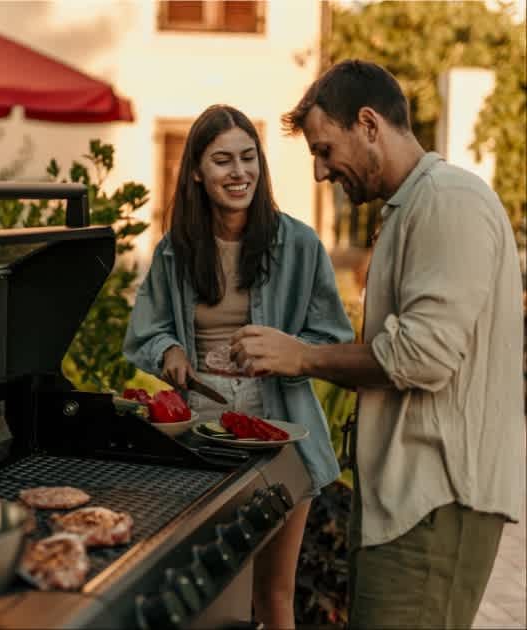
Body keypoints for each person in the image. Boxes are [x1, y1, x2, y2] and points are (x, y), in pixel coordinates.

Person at [231, 59, 525, 628]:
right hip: (412, 504)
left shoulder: (447, 200)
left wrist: (302, 356)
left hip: (437, 503)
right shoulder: (411, 208)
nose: (319, 173)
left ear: (368, 124)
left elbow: (420, 356)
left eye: (323, 150)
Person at [123, 104, 354, 628]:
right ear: (198, 174)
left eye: (248, 157)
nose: (239, 172)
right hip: (202, 432)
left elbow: (332, 339)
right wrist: (170, 353)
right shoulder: (175, 251)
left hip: (281, 430)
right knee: (213, 597)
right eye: (223, 160)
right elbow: (145, 331)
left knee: (273, 596)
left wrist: (285, 353)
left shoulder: (299, 244)